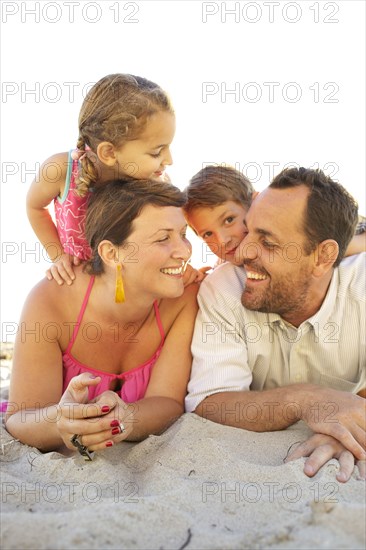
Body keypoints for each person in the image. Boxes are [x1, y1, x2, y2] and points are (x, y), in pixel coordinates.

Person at [185, 166, 366, 482]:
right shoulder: (223, 288)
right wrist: (308, 400)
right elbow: (210, 403)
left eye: (267, 241)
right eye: (250, 230)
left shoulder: (360, 284)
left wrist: (347, 427)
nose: (242, 251)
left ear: (323, 257)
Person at [5, 179, 198, 458]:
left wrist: (127, 418)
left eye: (183, 233)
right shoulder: (51, 301)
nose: (184, 251)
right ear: (111, 253)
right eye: (163, 238)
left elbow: (167, 401)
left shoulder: (184, 297)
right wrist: (60, 421)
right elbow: (20, 418)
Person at [26, 73, 176, 286]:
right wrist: (58, 256)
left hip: (125, 290)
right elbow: (34, 207)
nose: (169, 160)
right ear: (109, 152)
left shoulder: (153, 183)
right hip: (77, 287)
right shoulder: (61, 170)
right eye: (156, 152)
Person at [184, 164, 366, 266]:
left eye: (229, 220)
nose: (222, 241)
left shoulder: (287, 227)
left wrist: (354, 243)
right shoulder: (224, 267)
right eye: (207, 234)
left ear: (254, 202)